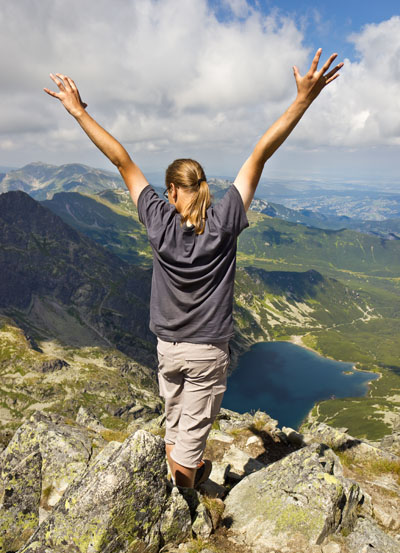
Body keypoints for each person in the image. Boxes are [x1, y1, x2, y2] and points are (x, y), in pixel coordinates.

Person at [44, 48, 343, 488]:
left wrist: (77, 112)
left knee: (174, 430)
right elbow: (260, 153)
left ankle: (183, 478)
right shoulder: (224, 221)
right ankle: (182, 502)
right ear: (204, 186)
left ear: (171, 191)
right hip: (206, 353)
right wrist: (303, 100)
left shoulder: (158, 220)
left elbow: (121, 160)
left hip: (168, 349)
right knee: (189, 448)